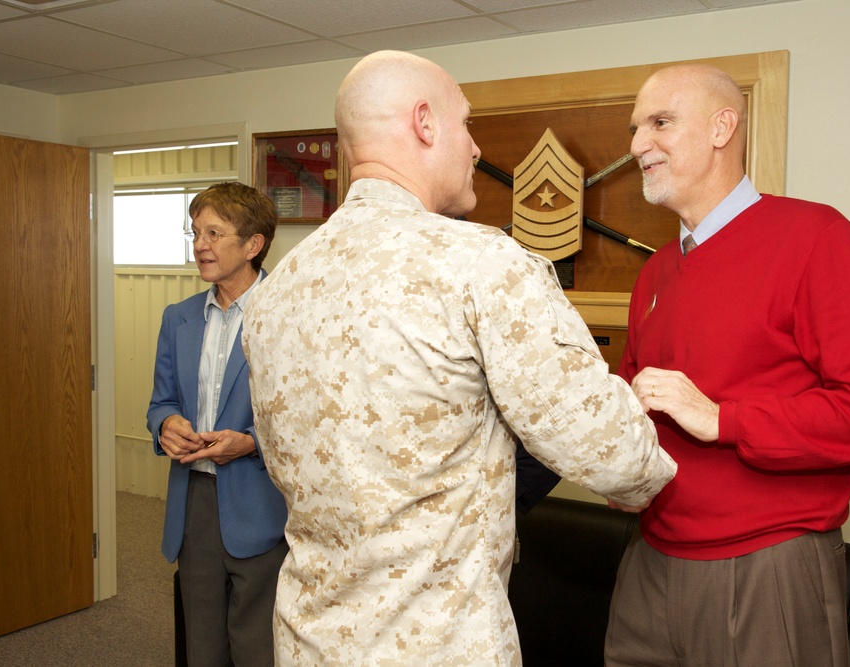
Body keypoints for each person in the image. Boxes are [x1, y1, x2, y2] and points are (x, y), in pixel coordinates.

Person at [241, 50, 677, 666]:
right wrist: (653, 464)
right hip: (440, 645)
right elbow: (613, 454)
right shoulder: (482, 266)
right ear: (424, 123)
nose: (475, 149)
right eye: (466, 124)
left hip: (310, 642)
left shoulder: (276, 290)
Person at [604, 63, 850, 667]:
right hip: (648, 563)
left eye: (660, 122)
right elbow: (634, 401)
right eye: (634, 128)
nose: (636, 145)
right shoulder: (653, 272)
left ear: (723, 127)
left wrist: (725, 419)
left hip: (765, 566)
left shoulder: (814, 237)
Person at [147, 182, 287, 667]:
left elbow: (312, 426)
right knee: (201, 650)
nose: (200, 245)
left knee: (258, 650)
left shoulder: (290, 318)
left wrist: (249, 443)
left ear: (253, 244)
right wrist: (164, 425)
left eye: (214, 233)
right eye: (195, 233)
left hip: (264, 503)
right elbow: (159, 402)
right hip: (194, 505)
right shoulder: (178, 318)